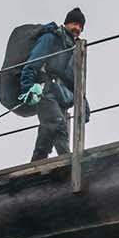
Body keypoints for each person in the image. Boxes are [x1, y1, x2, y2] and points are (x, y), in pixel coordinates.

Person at [22, 9, 86, 161]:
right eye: (74, 23)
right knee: (58, 125)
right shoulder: (51, 38)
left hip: (61, 96)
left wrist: (84, 104)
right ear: (66, 23)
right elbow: (33, 62)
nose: (77, 28)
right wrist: (28, 87)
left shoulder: (73, 48)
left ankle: (35, 166)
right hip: (45, 90)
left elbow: (74, 80)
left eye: (81, 26)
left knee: (47, 133)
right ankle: (69, 163)